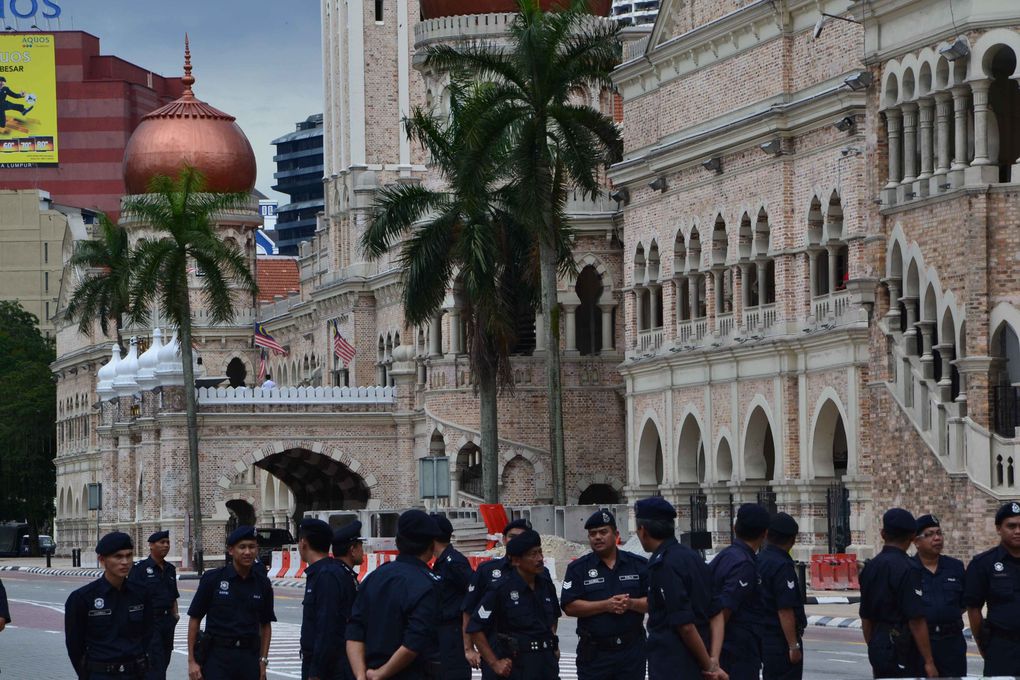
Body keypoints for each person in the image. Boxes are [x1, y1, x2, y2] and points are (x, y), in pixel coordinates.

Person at [634, 497, 726, 680]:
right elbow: (716, 612)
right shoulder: (692, 558)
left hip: (673, 664)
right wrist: (714, 659)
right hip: (700, 659)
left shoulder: (664, 565)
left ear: (643, 530)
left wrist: (709, 666)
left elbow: (684, 625)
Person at [345, 509, 441, 679]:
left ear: (398, 542)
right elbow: (414, 642)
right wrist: (381, 674)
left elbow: (354, 630)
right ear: (431, 545)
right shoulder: (428, 584)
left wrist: (361, 675)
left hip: (368, 671)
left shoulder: (375, 577)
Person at [560, 509, 648, 680]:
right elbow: (569, 606)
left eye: (603, 532)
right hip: (595, 654)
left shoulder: (638, 564)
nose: (597, 537)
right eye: (593, 534)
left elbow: (654, 602)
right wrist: (605, 605)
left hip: (631, 652)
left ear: (616, 534)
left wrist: (631, 604)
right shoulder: (578, 569)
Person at [467, 528, 561, 679]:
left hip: (546, 664)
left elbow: (554, 616)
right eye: (533, 554)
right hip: (518, 666)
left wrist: (552, 642)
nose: (539, 558)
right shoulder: (501, 589)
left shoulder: (545, 584)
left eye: (540, 552)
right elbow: (475, 627)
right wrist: (494, 663)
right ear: (516, 560)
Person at [187, 525, 276, 680]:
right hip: (217, 658)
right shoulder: (213, 579)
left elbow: (266, 624)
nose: (247, 552)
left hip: (249, 658)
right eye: (242, 547)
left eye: (252, 547)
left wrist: (263, 661)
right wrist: (192, 661)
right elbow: (195, 619)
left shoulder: (262, 584)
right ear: (231, 550)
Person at [858, 508, 937, 679]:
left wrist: (875, 649)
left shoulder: (870, 567)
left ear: (883, 534)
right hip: (904, 644)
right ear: (912, 537)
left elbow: (866, 618)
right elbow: (916, 620)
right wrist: (929, 661)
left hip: (880, 641)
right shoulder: (909, 568)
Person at [65, 531, 153, 679]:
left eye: (129, 555)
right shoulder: (82, 598)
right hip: (100, 673)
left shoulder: (141, 594)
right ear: (102, 560)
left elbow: (148, 635)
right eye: (118, 556)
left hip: (136, 673)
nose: (125, 562)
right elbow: (74, 646)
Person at [461, 518, 533, 678]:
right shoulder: (487, 571)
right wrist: (469, 649)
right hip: (496, 650)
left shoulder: (539, 571)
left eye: (523, 537)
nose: (517, 542)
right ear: (504, 540)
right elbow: (469, 610)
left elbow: (550, 613)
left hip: (532, 654)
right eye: (513, 537)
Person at [709, 503, 770, 680]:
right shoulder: (744, 564)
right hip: (735, 651)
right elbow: (724, 610)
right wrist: (714, 656)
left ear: (735, 528)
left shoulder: (726, 556)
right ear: (764, 534)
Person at [964, 500, 1020, 677]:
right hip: (1002, 647)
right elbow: (973, 609)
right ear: (998, 529)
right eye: (1011, 526)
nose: (1018, 531)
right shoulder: (983, 564)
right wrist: (983, 646)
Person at [298, 518, 356, 680]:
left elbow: (326, 626)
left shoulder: (326, 575)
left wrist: (316, 671)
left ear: (303, 543)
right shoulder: (325, 571)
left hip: (328, 668)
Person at [911, 514, 966, 678]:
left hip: (952, 642)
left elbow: (964, 603)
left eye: (939, 533)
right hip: (919, 645)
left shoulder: (955, 567)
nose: (937, 538)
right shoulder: (908, 569)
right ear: (916, 542)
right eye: (929, 534)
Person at [756, 513, 806, 680]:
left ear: (767, 535)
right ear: (792, 540)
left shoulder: (759, 560)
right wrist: (793, 646)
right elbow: (785, 609)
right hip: (780, 640)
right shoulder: (782, 565)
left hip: (762, 635)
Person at [128, 530, 180, 680]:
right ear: (151, 545)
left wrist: (175, 616)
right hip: (150, 622)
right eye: (162, 542)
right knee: (155, 665)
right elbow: (131, 597)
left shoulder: (170, 569)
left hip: (167, 623)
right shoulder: (140, 569)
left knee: (164, 660)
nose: (166, 545)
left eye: (167, 542)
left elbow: (173, 596)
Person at [429, 513, 473, 680]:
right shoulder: (442, 561)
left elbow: (473, 592)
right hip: (442, 632)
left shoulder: (453, 562)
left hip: (454, 632)